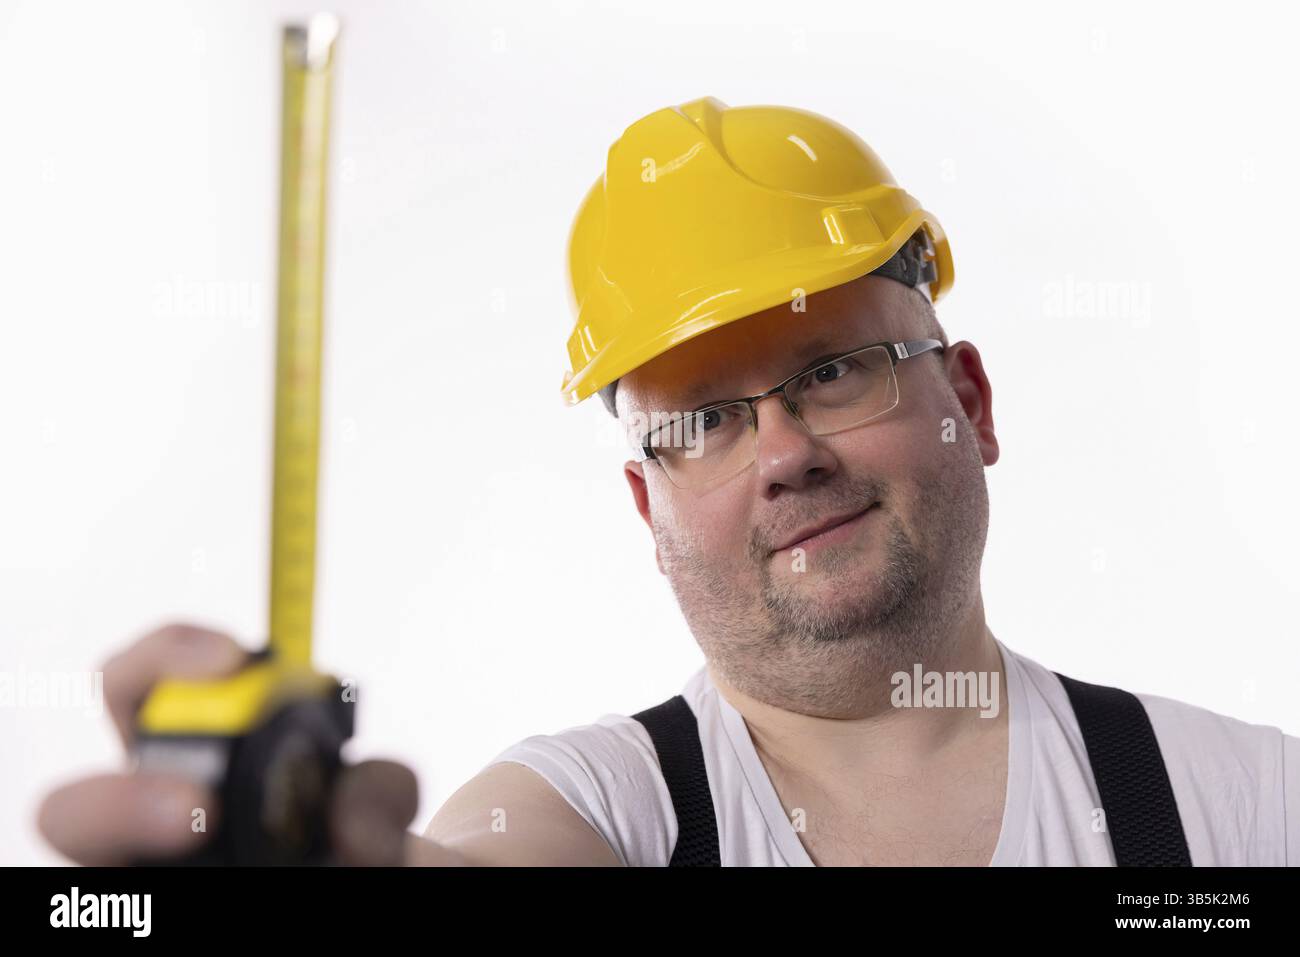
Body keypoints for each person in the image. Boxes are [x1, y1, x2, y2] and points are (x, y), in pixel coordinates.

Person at [38, 97, 1299, 867]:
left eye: (837, 369)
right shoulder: (604, 813)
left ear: (967, 400)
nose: (786, 454)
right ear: (647, 510)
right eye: (701, 421)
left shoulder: (1240, 813)